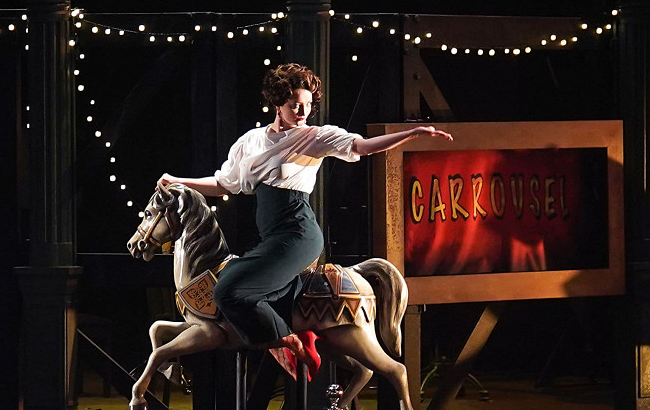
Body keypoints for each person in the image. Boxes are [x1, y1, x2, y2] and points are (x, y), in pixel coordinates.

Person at [157, 63, 452, 374]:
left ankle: (289, 342)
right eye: (295, 104)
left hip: (299, 234)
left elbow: (362, 147)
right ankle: (296, 337)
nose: (303, 111)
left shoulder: (313, 137)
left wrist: (412, 133)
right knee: (233, 286)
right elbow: (223, 184)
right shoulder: (251, 141)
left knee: (225, 291)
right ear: (277, 103)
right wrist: (178, 181)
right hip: (272, 239)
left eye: (309, 104)